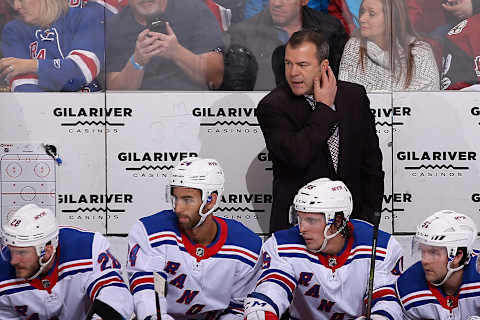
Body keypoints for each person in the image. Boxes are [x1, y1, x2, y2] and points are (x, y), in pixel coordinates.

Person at [257, 29, 384, 233]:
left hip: (352, 226)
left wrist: (369, 220)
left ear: (323, 66)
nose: (293, 73)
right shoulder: (273, 106)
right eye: (288, 63)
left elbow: (371, 164)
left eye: (302, 65)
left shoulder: (354, 96)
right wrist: (324, 108)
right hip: (297, 228)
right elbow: (297, 156)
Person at [243, 178, 403, 319]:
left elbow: (387, 300)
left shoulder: (381, 246)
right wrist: (262, 308)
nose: (301, 229)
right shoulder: (281, 244)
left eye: (311, 220)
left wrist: (380, 317)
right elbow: (273, 285)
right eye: (299, 218)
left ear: (338, 221)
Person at [126, 157, 262, 319]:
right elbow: (150, 298)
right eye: (175, 198)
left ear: (210, 201)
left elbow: (238, 310)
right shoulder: (151, 232)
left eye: (187, 199)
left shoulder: (246, 246)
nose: (177, 208)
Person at [0, 204, 133, 319]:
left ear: (47, 251)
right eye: (12, 251)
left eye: (22, 253)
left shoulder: (87, 248)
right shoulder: (3, 271)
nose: (13, 261)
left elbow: (115, 294)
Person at [374, 210, 480, 319]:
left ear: (458, 255)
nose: (425, 260)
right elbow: (387, 300)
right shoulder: (410, 281)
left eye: (433, 252)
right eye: (422, 251)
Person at [105, 0, 224, 90]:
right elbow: (115, 94)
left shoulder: (195, 10)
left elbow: (215, 77)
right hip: (141, 111)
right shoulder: (114, 26)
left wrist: (176, 52)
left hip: (192, 107)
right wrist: (137, 61)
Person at [229, 0, 347, 90]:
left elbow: (340, 81)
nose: (276, 3)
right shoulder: (243, 34)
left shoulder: (331, 30)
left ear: (304, 1)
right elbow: (238, 91)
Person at [0, 0, 106, 92]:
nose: (16, 6)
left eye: (21, 0)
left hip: (92, 108)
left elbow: (82, 69)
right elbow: (24, 86)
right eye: (13, 1)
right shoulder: (14, 30)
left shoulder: (85, 14)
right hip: (44, 109)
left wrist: (33, 65)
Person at [338, 0, 440, 91]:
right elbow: (346, 96)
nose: (362, 19)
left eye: (371, 14)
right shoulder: (354, 47)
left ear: (392, 17)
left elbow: (427, 97)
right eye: (362, 12)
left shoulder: (421, 52)